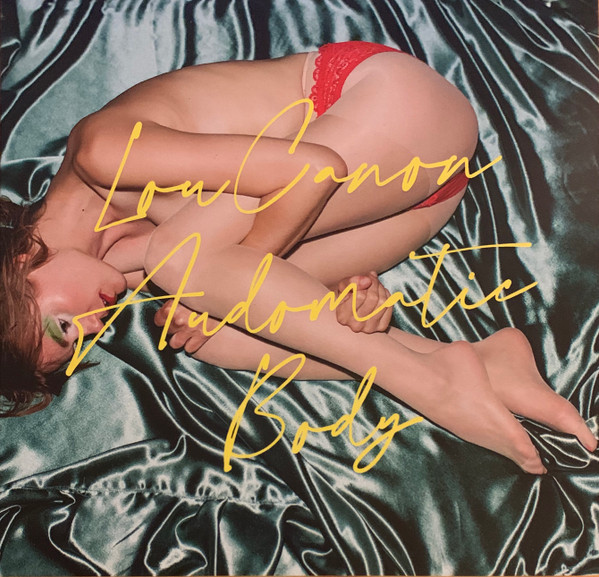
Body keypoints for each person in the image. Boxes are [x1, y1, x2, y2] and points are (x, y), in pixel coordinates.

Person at [0, 41, 596, 474]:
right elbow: (265, 284)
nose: (93, 328)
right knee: (212, 335)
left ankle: (425, 382)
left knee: (181, 265)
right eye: (77, 344)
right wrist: (347, 303)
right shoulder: (117, 261)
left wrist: (224, 278)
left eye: (63, 324)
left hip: (392, 107)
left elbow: (313, 171)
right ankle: (478, 362)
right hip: (420, 198)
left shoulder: (103, 151)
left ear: (20, 261)